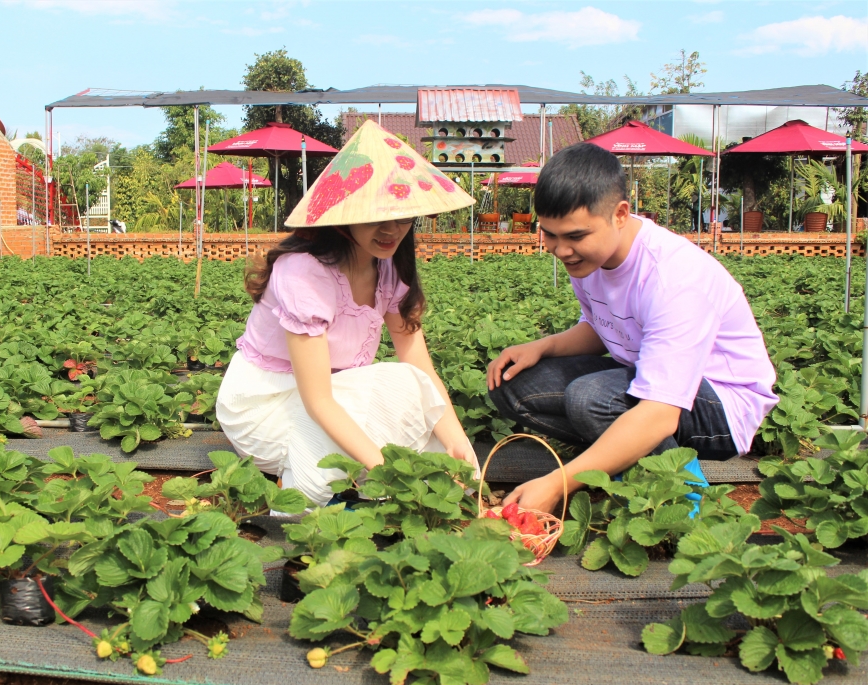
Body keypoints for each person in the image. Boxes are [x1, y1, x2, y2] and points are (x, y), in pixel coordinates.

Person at [486, 143, 777, 514]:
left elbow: (660, 412)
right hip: (645, 379)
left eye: (575, 236)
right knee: (511, 383)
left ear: (620, 214)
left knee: (591, 397)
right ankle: (616, 455)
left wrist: (559, 483)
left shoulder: (673, 277)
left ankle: (679, 497)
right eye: (550, 235)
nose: (560, 250)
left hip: (722, 404)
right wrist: (542, 347)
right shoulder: (591, 259)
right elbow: (601, 326)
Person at [218, 120, 480, 506]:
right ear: (345, 213)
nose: (392, 229)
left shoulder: (388, 269)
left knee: (417, 397)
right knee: (398, 392)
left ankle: (351, 478)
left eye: (404, 216)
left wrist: (458, 441)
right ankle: (305, 493)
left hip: (334, 398)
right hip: (266, 406)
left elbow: (420, 366)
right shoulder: (304, 273)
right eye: (377, 216)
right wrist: (388, 472)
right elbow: (319, 401)